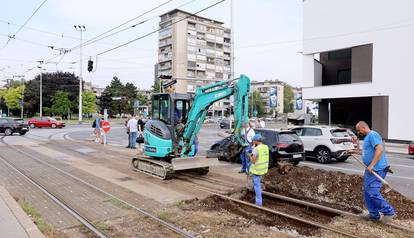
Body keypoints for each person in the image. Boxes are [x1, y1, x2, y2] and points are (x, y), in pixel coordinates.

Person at [354, 121, 395, 222]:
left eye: (359, 130)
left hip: (376, 169)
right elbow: (366, 152)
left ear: (364, 127)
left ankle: (389, 212)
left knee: (372, 191)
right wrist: (353, 151)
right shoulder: (368, 137)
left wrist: (372, 165)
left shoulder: (373, 135)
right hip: (370, 169)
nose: (359, 132)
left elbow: (379, 149)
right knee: (367, 192)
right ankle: (374, 214)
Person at [248, 134, 269, 206]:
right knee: (257, 184)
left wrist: (250, 153)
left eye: (253, 141)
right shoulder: (265, 147)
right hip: (263, 169)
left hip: (257, 170)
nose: (253, 142)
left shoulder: (256, 149)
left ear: (256, 141)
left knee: (257, 186)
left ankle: (258, 203)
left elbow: (253, 161)